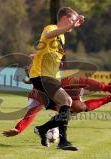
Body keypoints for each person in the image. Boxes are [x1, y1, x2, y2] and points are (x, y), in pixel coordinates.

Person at [28, 7, 85, 150]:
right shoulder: (51, 27)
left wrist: (36, 56)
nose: (73, 23)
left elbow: (46, 49)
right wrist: (70, 26)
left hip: (50, 77)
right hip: (41, 75)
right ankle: (61, 141)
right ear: (65, 18)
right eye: (72, 19)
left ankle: (44, 131)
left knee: (65, 108)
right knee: (67, 101)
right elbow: (48, 35)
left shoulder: (62, 36)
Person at [2, 79, 111, 137]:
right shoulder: (35, 101)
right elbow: (29, 116)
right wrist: (18, 129)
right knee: (78, 107)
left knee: (77, 81)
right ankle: (110, 98)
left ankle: (109, 88)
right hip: (65, 102)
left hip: (63, 88)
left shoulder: (43, 82)